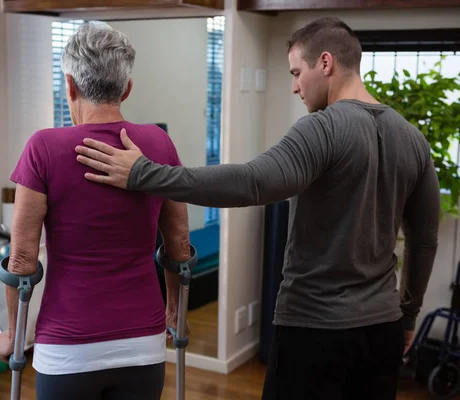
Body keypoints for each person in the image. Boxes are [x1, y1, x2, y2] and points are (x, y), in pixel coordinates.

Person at [74, 16, 441, 400]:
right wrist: (409, 316)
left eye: (297, 72)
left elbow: (251, 182)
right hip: (382, 330)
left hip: (315, 331)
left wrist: (144, 174)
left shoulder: (323, 129)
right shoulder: (413, 139)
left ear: (326, 63)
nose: (295, 86)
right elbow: (423, 241)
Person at [0, 21, 192, 400]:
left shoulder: (43, 148)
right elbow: (179, 245)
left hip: (67, 349)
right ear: (126, 89)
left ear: (70, 85)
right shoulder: (158, 142)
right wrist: (174, 311)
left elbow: (21, 259)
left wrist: (14, 336)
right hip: (142, 343)